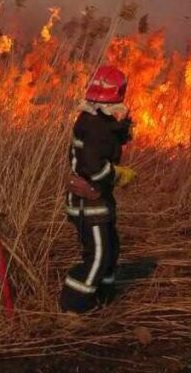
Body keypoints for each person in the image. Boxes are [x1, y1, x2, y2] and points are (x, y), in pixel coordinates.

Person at [59, 65, 134, 313]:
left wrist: (121, 131)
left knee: (111, 251)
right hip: (88, 203)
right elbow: (93, 167)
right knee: (99, 257)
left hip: (98, 201)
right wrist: (117, 175)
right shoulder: (94, 125)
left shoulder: (96, 119)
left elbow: (104, 143)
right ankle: (74, 306)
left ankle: (104, 300)